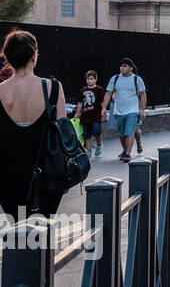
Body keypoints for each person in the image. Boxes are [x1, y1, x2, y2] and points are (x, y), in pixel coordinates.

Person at [0, 29, 70, 220]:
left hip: (7, 178)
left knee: (18, 233)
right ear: (33, 56)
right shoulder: (53, 88)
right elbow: (63, 136)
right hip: (47, 177)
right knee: (42, 235)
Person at [104, 58, 147, 163]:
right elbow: (108, 93)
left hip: (132, 110)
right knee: (122, 134)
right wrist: (103, 108)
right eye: (121, 66)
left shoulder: (137, 79)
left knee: (130, 131)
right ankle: (125, 150)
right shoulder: (115, 79)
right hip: (119, 111)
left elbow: (143, 94)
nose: (122, 68)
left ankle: (127, 154)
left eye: (125, 66)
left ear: (130, 68)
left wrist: (143, 110)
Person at [74, 69, 106, 157]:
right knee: (86, 134)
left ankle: (99, 145)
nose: (89, 81)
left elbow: (102, 102)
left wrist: (104, 112)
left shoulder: (99, 89)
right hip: (85, 116)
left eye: (91, 79)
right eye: (87, 79)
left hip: (96, 115)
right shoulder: (83, 90)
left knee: (96, 131)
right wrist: (77, 113)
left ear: (95, 79)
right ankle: (88, 150)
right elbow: (80, 102)